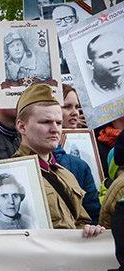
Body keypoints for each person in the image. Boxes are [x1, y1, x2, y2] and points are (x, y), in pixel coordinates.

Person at [12, 83, 104, 235]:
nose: (55, 129)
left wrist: (89, 230)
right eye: (46, 122)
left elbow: (82, 221)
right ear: (22, 127)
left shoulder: (66, 174)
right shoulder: (12, 176)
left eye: (59, 122)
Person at [54, 84, 101, 223]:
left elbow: (93, 212)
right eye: (67, 107)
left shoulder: (90, 140)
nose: (75, 112)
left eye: (77, 107)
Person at [86, 32, 124, 99]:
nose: (117, 59)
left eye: (120, 52)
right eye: (106, 55)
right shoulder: (90, 93)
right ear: (90, 64)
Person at [51, 3, 79, 73]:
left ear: (77, 19)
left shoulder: (86, 41)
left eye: (68, 19)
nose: (63, 24)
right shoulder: (51, 47)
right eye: (58, 21)